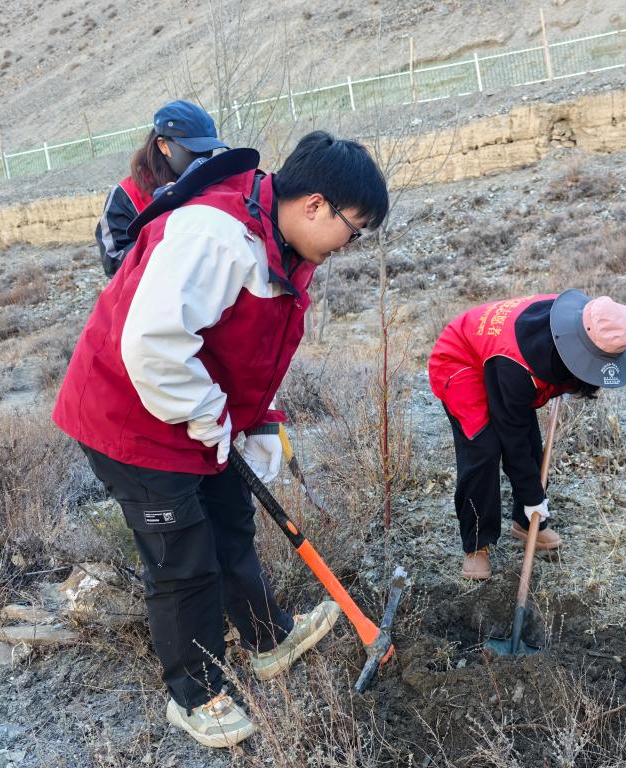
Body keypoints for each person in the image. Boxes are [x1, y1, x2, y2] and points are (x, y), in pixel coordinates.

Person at [53, 131, 389, 749]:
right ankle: (195, 693)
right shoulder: (215, 237)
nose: (350, 245)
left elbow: (245, 351)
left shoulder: (281, 243)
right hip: (128, 417)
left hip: (188, 411)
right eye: (354, 229)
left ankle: (266, 638)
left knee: (230, 520)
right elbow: (152, 346)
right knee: (183, 557)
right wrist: (212, 419)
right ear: (315, 205)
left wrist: (255, 422)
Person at [429, 291, 626, 580]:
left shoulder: (590, 323)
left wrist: (566, 382)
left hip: (500, 360)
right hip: (460, 358)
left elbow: (523, 433)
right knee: (484, 449)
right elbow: (511, 437)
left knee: (530, 442)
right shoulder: (517, 366)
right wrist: (532, 496)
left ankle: (527, 524)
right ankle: (476, 544)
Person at [95, 100, 227, 278]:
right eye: (193, 150)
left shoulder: (217, 183)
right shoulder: (127, 195)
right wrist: (168, 236)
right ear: (163, 145)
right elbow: (113, 261)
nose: (203, 158)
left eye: (208, 150)